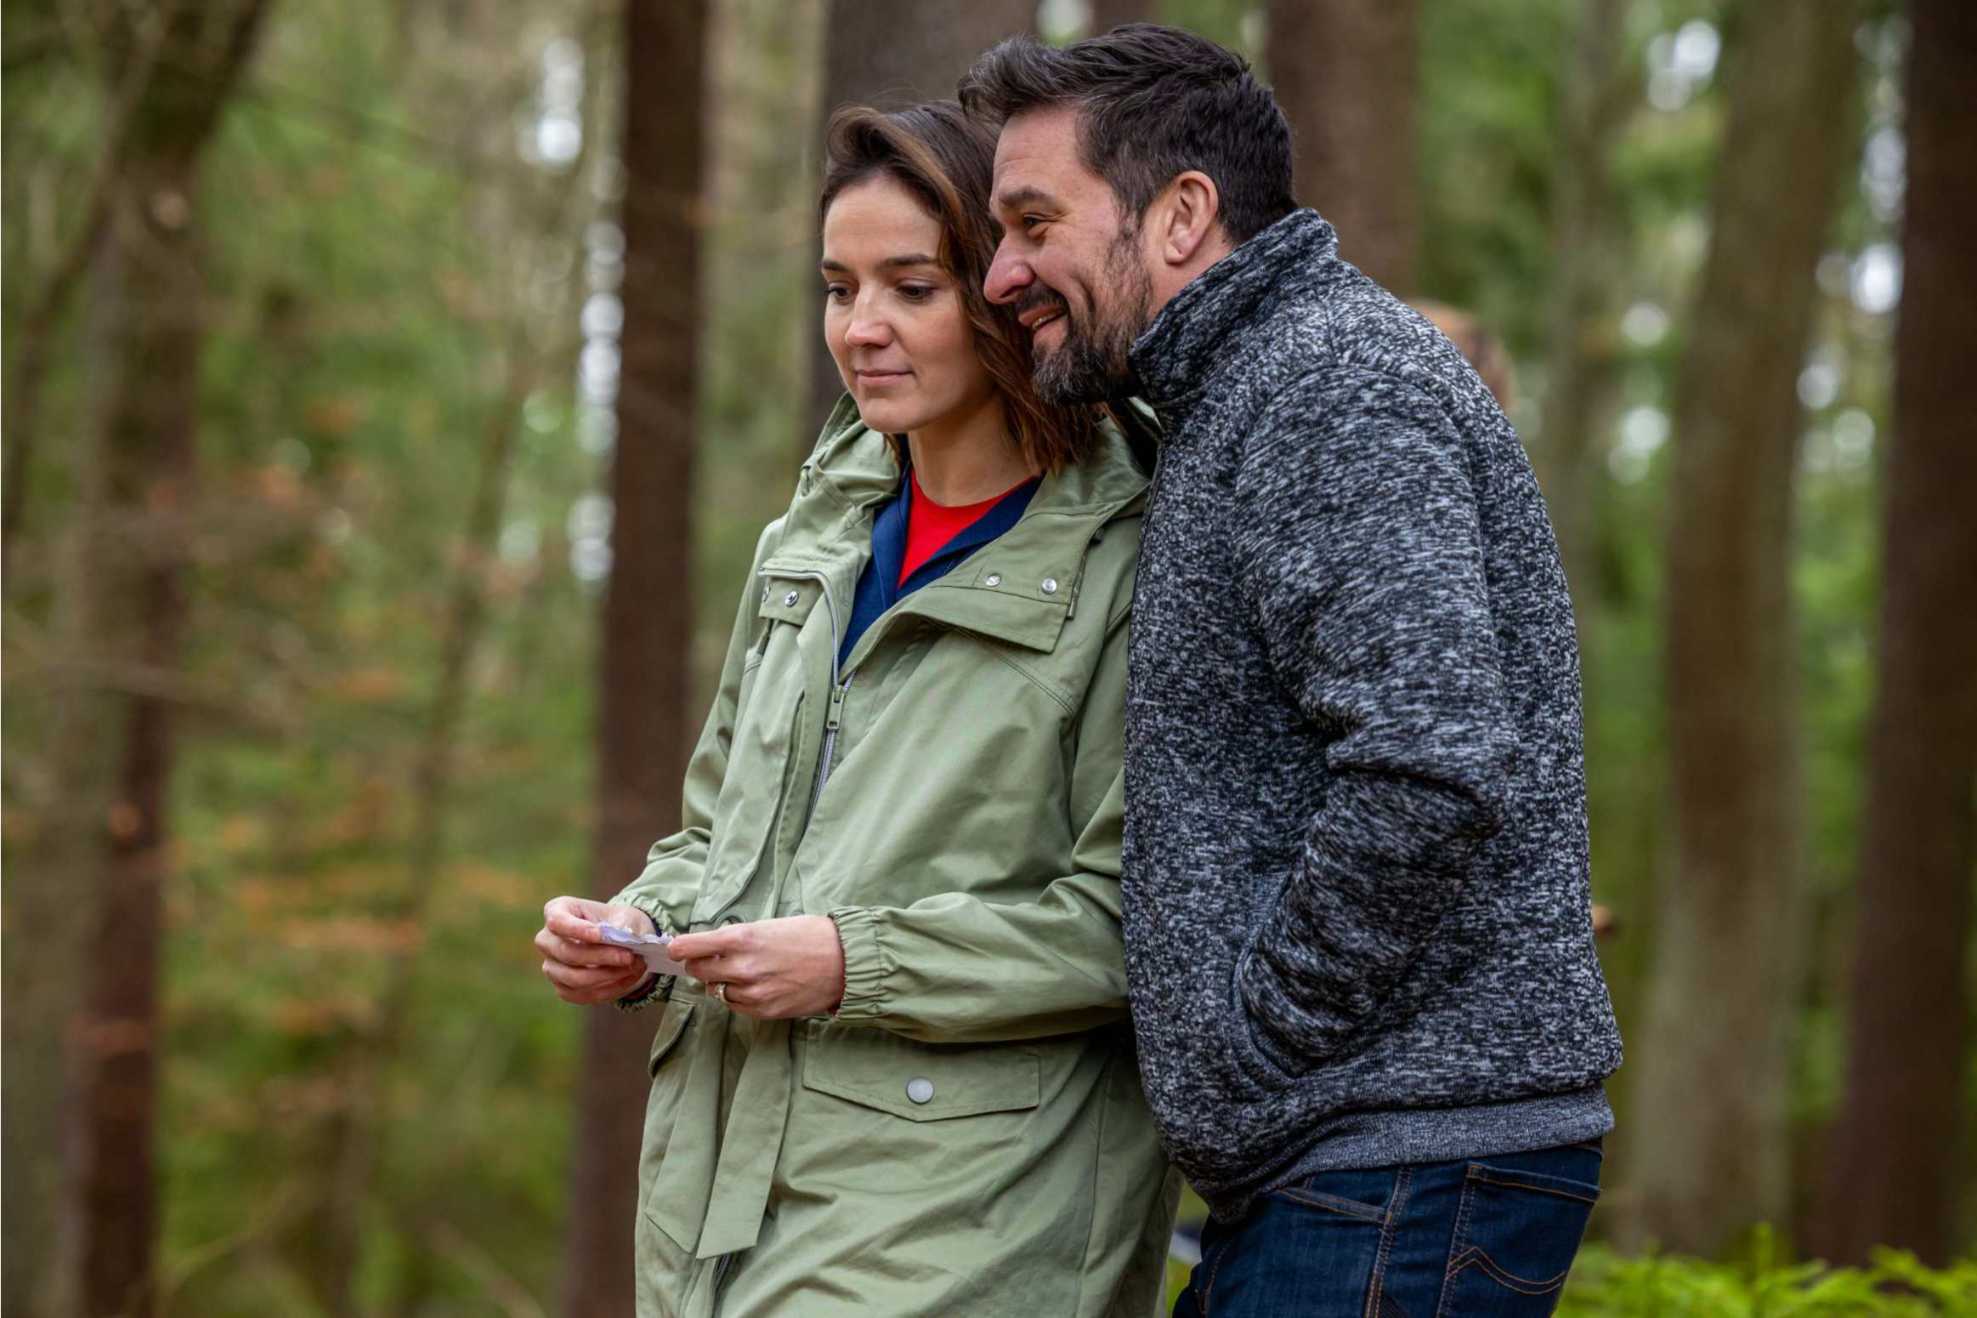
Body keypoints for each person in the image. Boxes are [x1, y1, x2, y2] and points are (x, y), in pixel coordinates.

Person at [961, 24, 1623, 1317]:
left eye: (1035, 223)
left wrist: (1256, 1035)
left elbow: (1429, 762)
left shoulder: (1327, 382)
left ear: (1180, 215)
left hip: (1397, 1157)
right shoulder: (1240, 388)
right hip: (1351, 1159)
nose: (1001, 275)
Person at [533, 100, 1177, 1318]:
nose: (860, 328)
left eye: (910, 288)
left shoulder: (1134, 555)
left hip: (970, 1208)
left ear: (1006, 290)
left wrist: (854, 962)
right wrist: (640, 929)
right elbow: (720, 832)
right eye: (839, 289)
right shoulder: (812, 535)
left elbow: (1134, 922)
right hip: (716, 1185)